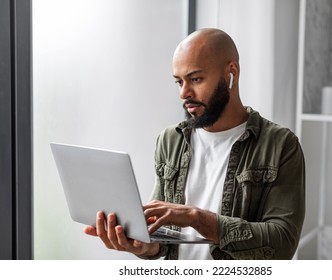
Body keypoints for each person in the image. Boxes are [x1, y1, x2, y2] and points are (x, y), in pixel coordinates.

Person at [84, 28, 305, 260]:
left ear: (232, 72)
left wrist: (196, 218)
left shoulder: (280, 145)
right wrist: (143, 246)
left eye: (195, 79)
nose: (184, 93)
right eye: (179, 82)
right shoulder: (170, 140)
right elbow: (164, 240)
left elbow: (283, 243)